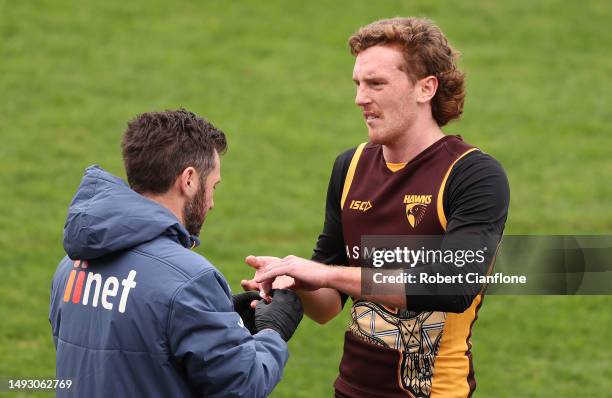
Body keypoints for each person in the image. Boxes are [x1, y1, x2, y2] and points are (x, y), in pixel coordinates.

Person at [243, 18, 510, 398]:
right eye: (358, 84)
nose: (360, 98)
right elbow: (327, 308)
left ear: (426, 88)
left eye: (376, 84)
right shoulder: (350, 167)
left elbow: (453, 284)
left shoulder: (472, 175)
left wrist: (326, 274)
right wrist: (296, 280)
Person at [49, 109, 303, 397]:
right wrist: (274, 330)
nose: (212, 203)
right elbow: (244, 385)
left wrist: (222, 321)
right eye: (213, 186)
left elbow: (123, 350)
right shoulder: (190, 279)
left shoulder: (70, 266)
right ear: (189, 180)